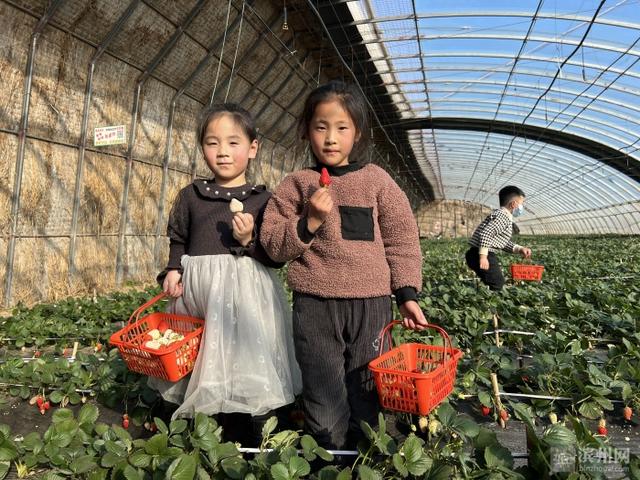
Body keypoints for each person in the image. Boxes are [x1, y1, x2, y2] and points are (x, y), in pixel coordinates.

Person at [260, 80, 427, 450]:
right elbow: (271, 243)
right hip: (315, 304)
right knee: (322, 389)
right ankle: (329, 455)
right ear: (306, 131)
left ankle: (369, 454)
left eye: (342, 128)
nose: (331, 138)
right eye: (321, 127)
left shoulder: (376, 181)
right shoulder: (298, 184)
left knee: (370, 384)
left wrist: (406, 294)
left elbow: (401, 238)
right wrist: (309, 222)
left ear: (358, 133)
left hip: (371, 304)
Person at [151, 103, 301, 445]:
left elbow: (274, 257)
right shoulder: (192, 196)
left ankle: (252, 430)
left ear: (253, 148)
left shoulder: (264, 200)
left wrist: (248, 240)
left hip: (247, 296)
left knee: (246, 357)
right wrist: (173, 269)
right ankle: (208, 431)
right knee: (201, 356)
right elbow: (179, 238)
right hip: (199, 296)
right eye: (212, 142)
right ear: (202, 147)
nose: (222, 152)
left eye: (233, 143)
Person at [465, 185, 532, 290]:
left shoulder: (503, 216)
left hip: (477, 253)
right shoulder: (502, 216)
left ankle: (481, 292)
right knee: (497, 283)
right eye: (521, 204)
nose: (521, 207)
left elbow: (501, 242)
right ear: (513, 204)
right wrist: (483, 257)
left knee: (493, 281)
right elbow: (486, 233)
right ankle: (488, 298)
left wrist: (519, 249)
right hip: (481, 254)